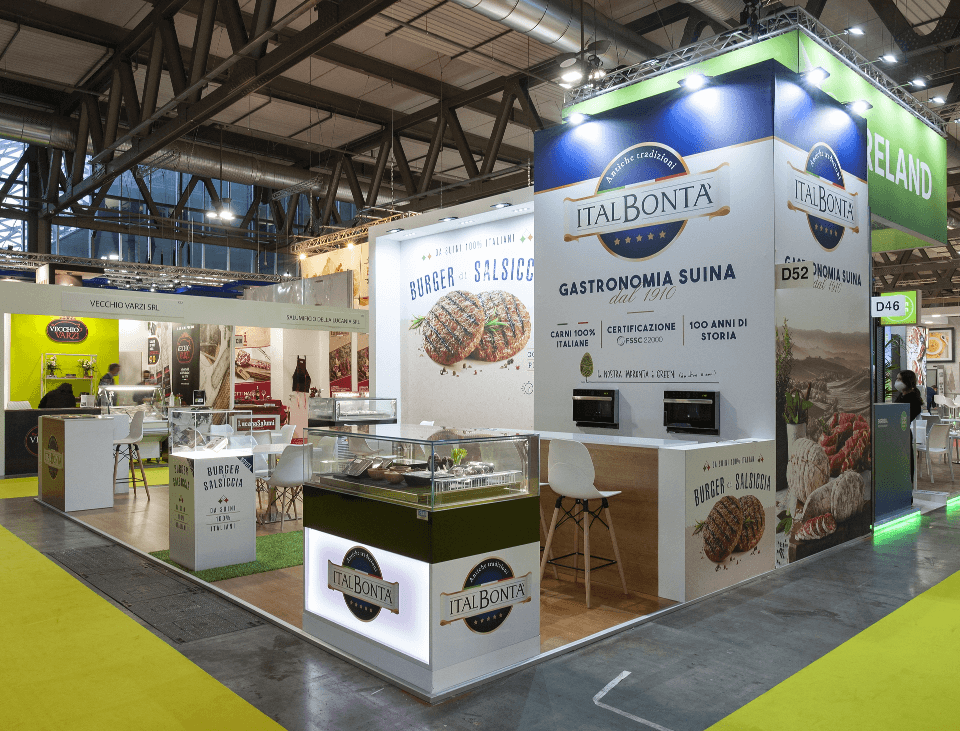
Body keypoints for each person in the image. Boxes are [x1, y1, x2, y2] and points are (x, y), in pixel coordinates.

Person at [894, 370, 924, 481]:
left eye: (899, 379)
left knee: (905, 462)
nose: (897, 381)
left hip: (903, 434)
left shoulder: (913, 399)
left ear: (907, 381)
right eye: (897, 379)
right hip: (896, 433)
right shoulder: (901, 396)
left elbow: (907, 416)